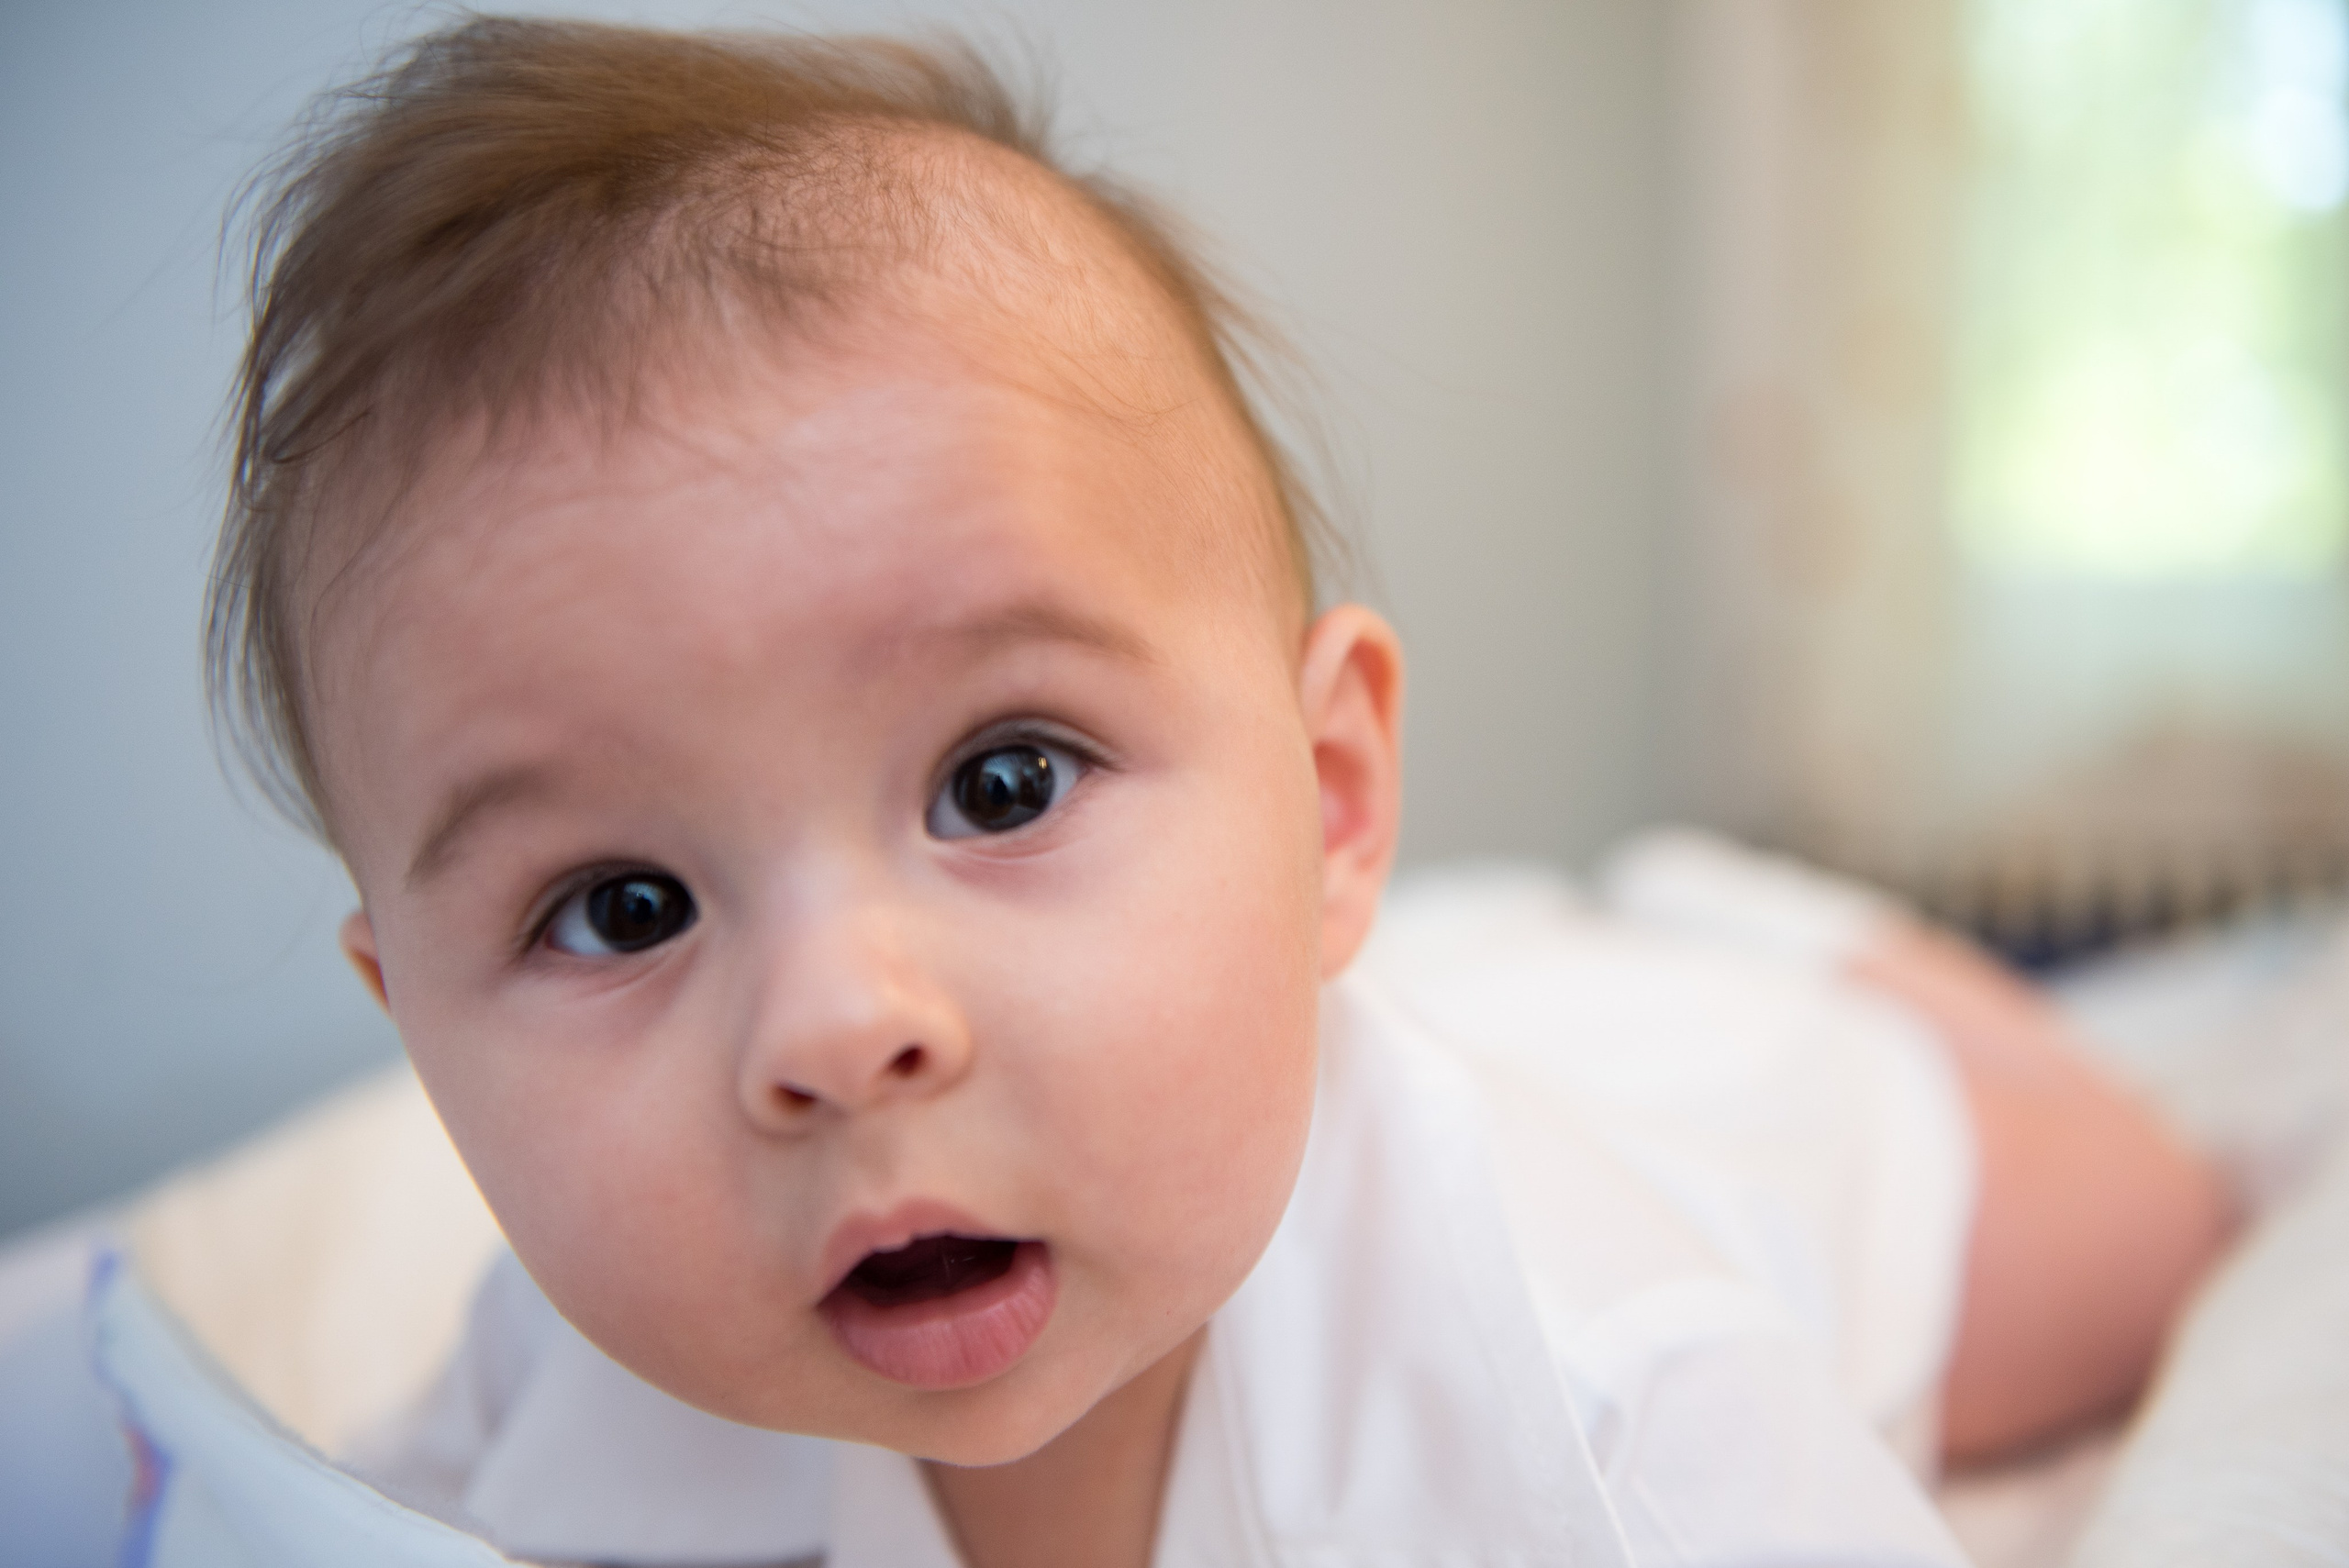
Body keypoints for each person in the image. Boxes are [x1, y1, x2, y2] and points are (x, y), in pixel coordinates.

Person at [162, 17, 2231, 1566]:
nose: (837, 1026)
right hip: (1403, 1010)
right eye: (622, 907)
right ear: (419, 1030)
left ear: (1328, 799)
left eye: (1000, 782)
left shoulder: (1617, 1403)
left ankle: (1787, 931)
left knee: (2148, 1231)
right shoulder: (555, 1388)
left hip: (1746, 1117)